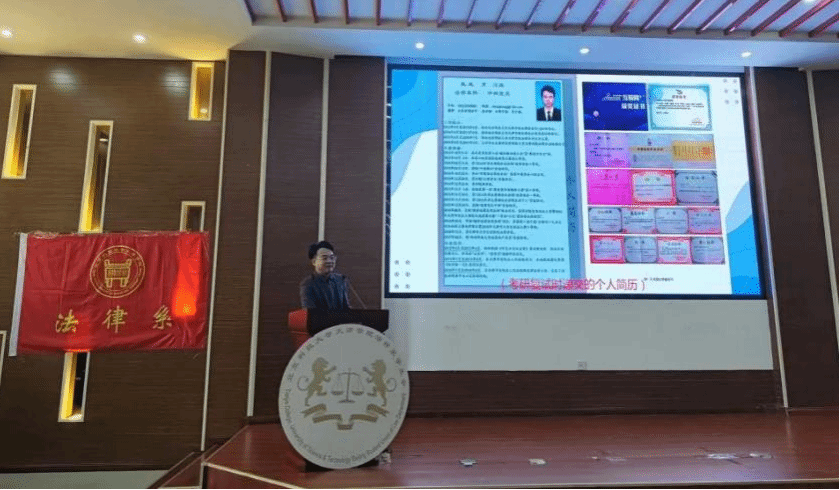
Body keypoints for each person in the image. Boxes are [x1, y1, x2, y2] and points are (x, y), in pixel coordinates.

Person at [299, 241, 350, 310]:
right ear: (314, 262)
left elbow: (346, 308)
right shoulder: (308, 283)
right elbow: (309, 311)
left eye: (332, 258)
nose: (329, 261)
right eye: (325, 258)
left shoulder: (340, 280)